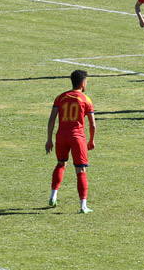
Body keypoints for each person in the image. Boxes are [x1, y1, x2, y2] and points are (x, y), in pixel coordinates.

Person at [45, 70, 96, 214]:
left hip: (61, 136)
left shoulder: (60, 97)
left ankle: (53, 196)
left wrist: (49, 139)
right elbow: (92, 124)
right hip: (77, 138)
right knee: (80, 170)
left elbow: (52, 119)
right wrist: (91, 140)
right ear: (82, 83)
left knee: (61, 163)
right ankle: (83, 206)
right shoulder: (86, 99)